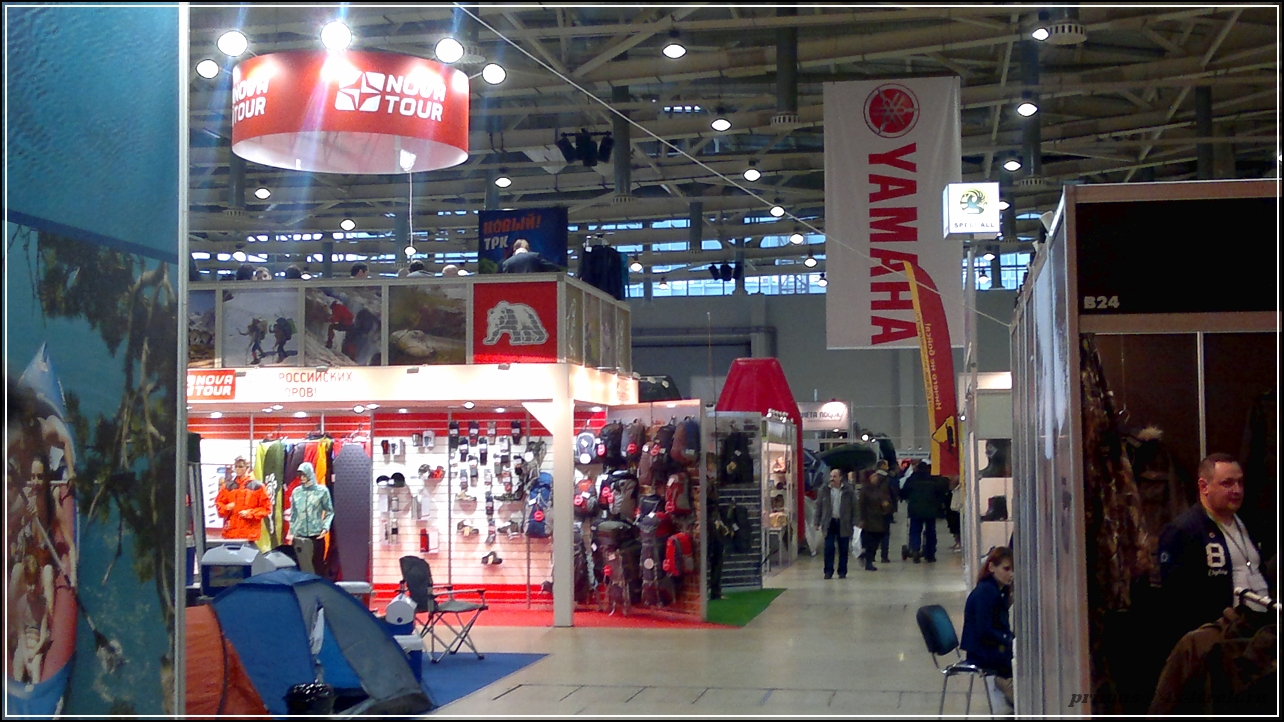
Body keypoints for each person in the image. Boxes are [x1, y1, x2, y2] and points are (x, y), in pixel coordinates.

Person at [1158, 453, 1270, 641]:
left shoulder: (1249, 524)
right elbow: (1177, 599)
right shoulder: (1183, 530)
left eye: (1240, 482)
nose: (1237, 490)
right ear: (1204, 487)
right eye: (1227, 483)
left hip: (1261, 628)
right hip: (1221, 635)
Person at [961, 546, 1015, 713]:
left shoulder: (995, 590)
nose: (1011, 574)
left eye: (1013, 570)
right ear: (992, 567)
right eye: (1006, 569)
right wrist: (1008, 640)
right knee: (1025, 659)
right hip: (982, 653)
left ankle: (1010, 689)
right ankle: (1011, 689)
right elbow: (984, 630)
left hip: (985, 648)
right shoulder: (986, 592)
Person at [288, 462, 333, 576]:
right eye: (300, 475)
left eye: (304, 474)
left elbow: (329, 511)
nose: (302, 478)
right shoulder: (296, 492)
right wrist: (292, 533)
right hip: (300, 536)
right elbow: (293, 514)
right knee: (301, 567)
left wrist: (325, 527)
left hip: (316, 535)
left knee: (317, 567)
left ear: (310, 474)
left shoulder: (322, 491)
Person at [813, 468, 856, 579]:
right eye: (831, 476)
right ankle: (828, 571)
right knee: (828, 548)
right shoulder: (824, 490)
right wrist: (816, 521)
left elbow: (854, 506)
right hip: (829, 522)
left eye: (835, 476)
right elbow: (819, 506)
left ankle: (842, 571)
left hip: (843, 522)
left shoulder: (848, 491)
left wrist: (856, 521)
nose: (832, 479)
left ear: (840, 478)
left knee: (843, 548)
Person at [215, 457, 271, 542]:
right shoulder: (227, 487)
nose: (237, 469)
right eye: (236, 466)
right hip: (231, 533)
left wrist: (250, 513)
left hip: (249, 534)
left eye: (240, 466)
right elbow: (219, 506)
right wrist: (227, 508)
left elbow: (266, 509)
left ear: (247, 468)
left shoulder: (258, 487)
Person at [902, 461, 945, 563]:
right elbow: (940, 493)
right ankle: (930, 554)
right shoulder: (933, 480)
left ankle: (915, 550)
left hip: (915, 510)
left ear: (916, 469)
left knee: (915, 531)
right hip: (931, 510)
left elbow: (903, 493)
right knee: (930, 532)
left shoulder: (911, 480)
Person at [858, 465, 893, 571]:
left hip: (879, 519)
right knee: (870, 542)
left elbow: (887, 499)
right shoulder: (865, 490)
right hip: (869, 520)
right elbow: (861, 505)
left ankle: (867, 557)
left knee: (876, 541)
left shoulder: (880, 488)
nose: (876, 478)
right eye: (874, 476)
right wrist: (861, 519)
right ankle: (868, 561)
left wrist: (886, 506)